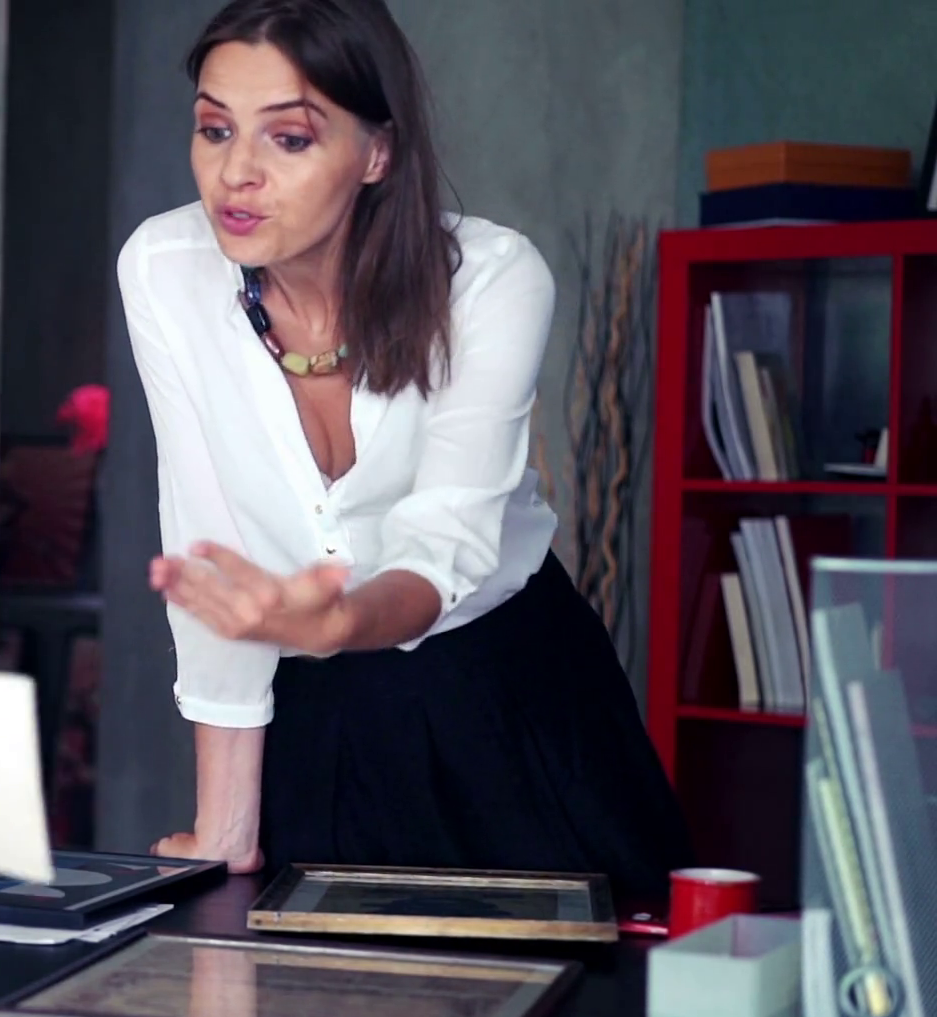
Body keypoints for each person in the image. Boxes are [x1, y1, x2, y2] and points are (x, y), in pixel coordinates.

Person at [126, 0, 693, 900]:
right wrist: (226, 827)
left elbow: (444, 547)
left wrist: (336, 623)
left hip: (502, 695)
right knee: (305, 980)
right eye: (215, 128)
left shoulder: (493, 281)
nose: (236, 173)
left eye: (289, 139)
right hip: (316, 711)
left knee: (591, 978)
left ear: (377, 153)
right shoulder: (164, 270)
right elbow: (209, 548)